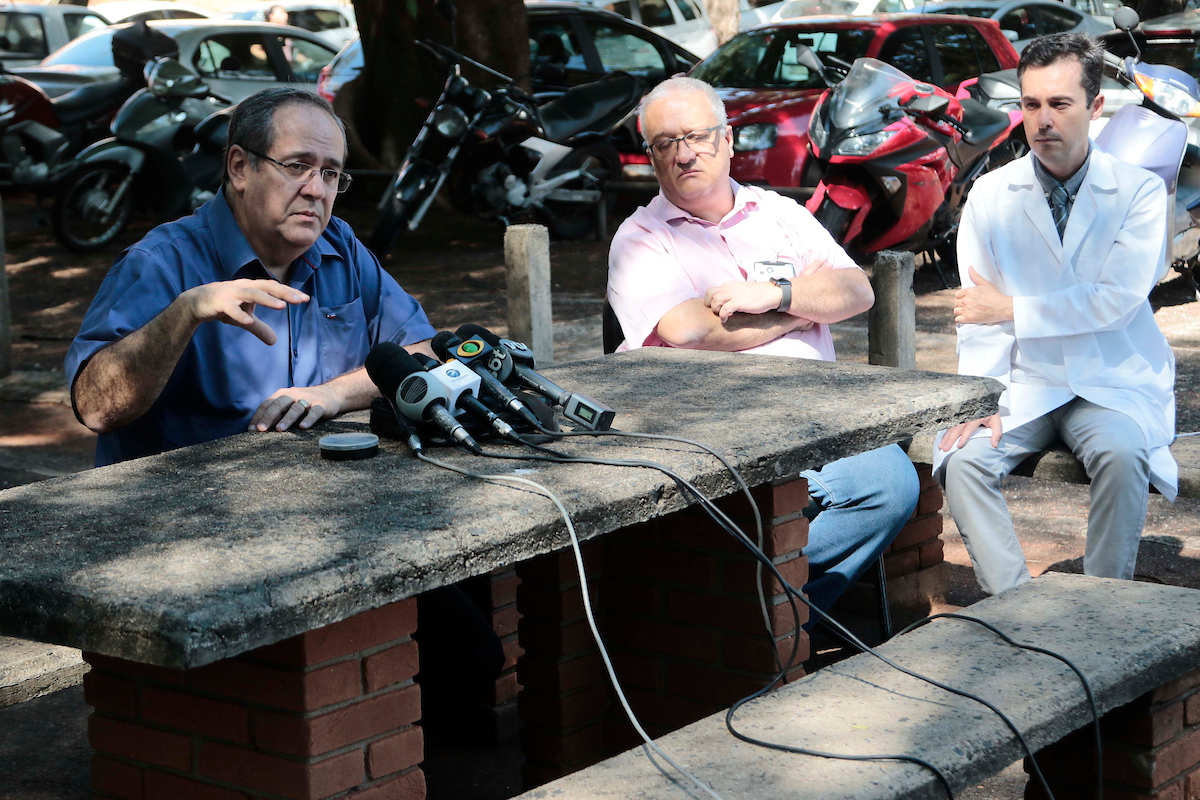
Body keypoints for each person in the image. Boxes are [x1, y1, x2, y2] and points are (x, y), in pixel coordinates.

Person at [607, 76, 920, 620]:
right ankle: (772, 617)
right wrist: (800, 311)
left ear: (727, 140)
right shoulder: (639, 239)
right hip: (713, 428)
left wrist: (769, 295)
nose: (685, 155)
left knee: (888, 484)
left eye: (698, 137)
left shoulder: (781, 215)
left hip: (819, 413)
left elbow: (855, 290)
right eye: (666, 143)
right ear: (653, 157)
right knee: (879, 485)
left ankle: (759, 611)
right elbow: (687, 331)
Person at [66, 87, 437, 467]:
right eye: (297, 166)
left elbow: (423, 354)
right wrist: (184, 314)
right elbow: (95, 409)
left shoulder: (339, 244)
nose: (316, 190)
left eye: (330, 173)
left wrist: (333, 394)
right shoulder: (161, 262)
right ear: (240, 168)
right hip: (186, 505)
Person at [935, 32, 1177, 595]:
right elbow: (979, 312)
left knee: (1122, 453)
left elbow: (1116, 300)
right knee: (963, 461)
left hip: (1109, 379)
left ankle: (1099, 605)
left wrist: (1012, 308)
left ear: (1095, 107)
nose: (1043, 120)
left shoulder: (1139, 192)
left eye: (1060, 104)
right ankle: (1019, 607)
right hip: (1028, 379)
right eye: (1031, 104)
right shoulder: (992, 195)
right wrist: (980, 398)